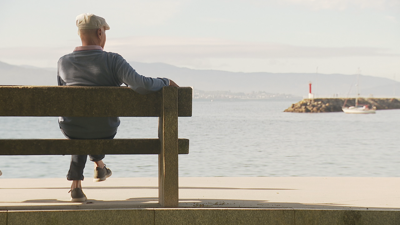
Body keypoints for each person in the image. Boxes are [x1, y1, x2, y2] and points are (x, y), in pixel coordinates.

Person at [58, 13, 179, 202]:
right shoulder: (113, 61)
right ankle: (99, 166)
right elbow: (142, 85)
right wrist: (165, 81)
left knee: (78, 120)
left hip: (72, 128)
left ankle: (78, 183)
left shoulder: (63, 62)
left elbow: (63, 103)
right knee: (91, 122)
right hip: (105, 129)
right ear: (100, 32)